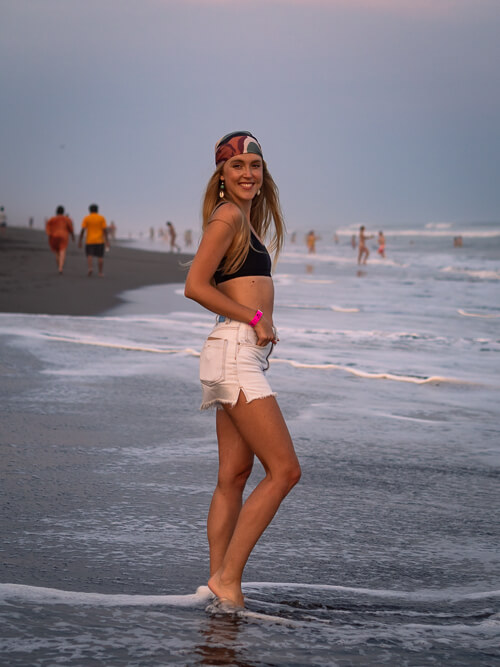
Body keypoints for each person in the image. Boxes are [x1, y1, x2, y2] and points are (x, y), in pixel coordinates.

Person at [185, 131, 301, 609]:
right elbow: (194, 285)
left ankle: (218, 582)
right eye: (237, 166)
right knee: (285, 471)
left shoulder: (243, 221)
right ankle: (228, 579)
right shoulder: (227, 218)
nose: (248, 173)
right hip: (235, 352)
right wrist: (255, 317)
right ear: (221, 176)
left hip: (233, 352)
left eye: (255, 164)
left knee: (233, 475)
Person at [78, 203, 109, 277]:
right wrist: (107, 241)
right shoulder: (101, 218)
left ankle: (90, 268)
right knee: (100, 256)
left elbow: (83, 230)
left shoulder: (86, 218)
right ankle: (100, 272)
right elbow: (104, 230)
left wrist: (80, 240)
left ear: (89, 210)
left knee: (89, 255)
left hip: (89, 240)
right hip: (100, 240)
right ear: (97, 210)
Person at [45, 205, 75, 274]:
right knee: (62, 251)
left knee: (57, 252)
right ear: (63, 212)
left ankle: (59, 265)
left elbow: (48, 228)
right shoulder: (66, 219)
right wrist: (73, 236)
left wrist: (49, 234)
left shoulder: (52, 219)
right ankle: (60, 267)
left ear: (56, 211)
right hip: (64, 236)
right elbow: (70, 228)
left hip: (54, 236)